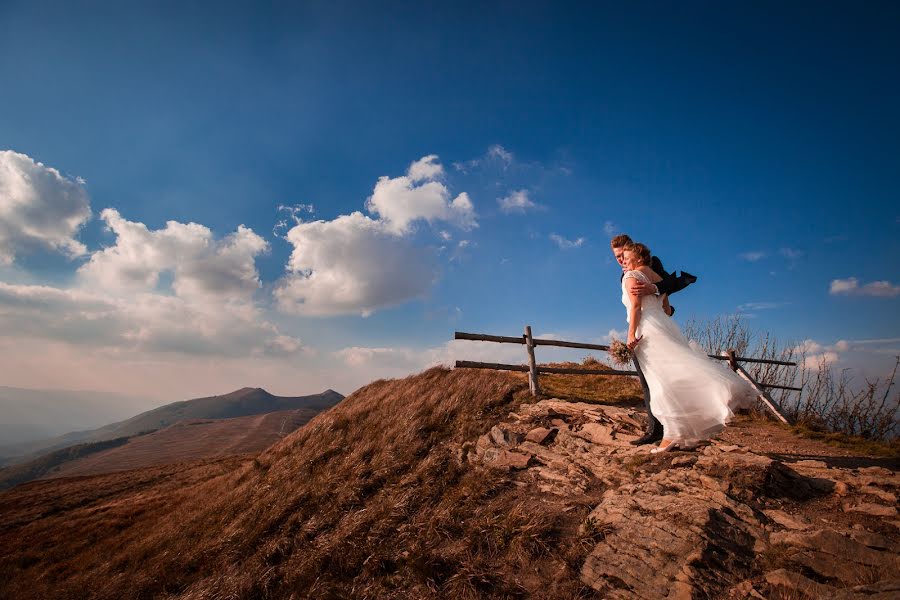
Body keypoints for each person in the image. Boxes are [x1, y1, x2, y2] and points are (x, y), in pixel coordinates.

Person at [621, 242, 754, 452]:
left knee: (660, 382)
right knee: (674, 374)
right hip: (664, 327)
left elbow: (636, 307)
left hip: (646, 330)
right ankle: (684, 430)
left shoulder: (631, 277)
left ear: (638, 258)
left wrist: (630, 335)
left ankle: (671, 434)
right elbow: (666, 308)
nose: (624, 262)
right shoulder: (658, 279)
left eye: (626, 258)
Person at [609, 234, 697, 445]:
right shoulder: (625, 274)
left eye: (622, 255)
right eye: (616, 257)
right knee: (649, 380)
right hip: (648, 323)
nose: (620, 260)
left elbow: (670, 283)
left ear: (632, 252)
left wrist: (655, 290)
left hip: (653, 326)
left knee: (660, 379)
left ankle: (664, 430)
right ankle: (659, 427)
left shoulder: (650, 263)